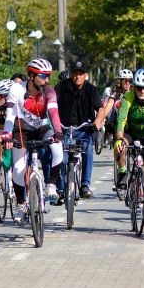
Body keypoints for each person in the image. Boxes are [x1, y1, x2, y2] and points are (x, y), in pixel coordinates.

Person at [2, 58, 64, 220]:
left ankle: (51, 185)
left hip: (42, 128)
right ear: (31, 75)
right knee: (18, 169)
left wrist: (57, 131)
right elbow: (10, 114)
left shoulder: (49, 91)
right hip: (21, 131)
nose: (47, 80)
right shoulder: (17, 89)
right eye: (43, 76)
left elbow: (53, 112)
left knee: (58, 149)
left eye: (48, 76)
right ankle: (21, 204)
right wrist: (7, 134)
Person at [111, 68, 144, 224]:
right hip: (130, 133)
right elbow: (121, 119)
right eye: (139, 87)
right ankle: (123, 173)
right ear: (134, 87)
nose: (142, 91)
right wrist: (119, 138)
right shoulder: (127, 98)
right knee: (120, 147)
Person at [54, 60, 104, 199]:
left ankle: (85, 185)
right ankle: (60, 189)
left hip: (84, 129)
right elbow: (51, 103)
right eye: (75, 73)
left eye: (81, 74)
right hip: (63, 129)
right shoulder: (61, 86)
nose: (78, 76)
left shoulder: (91, 89)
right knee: (61, 158)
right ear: (71, 74)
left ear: (85, 75)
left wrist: (98, 121)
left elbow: (100, 109)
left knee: (87, 150)